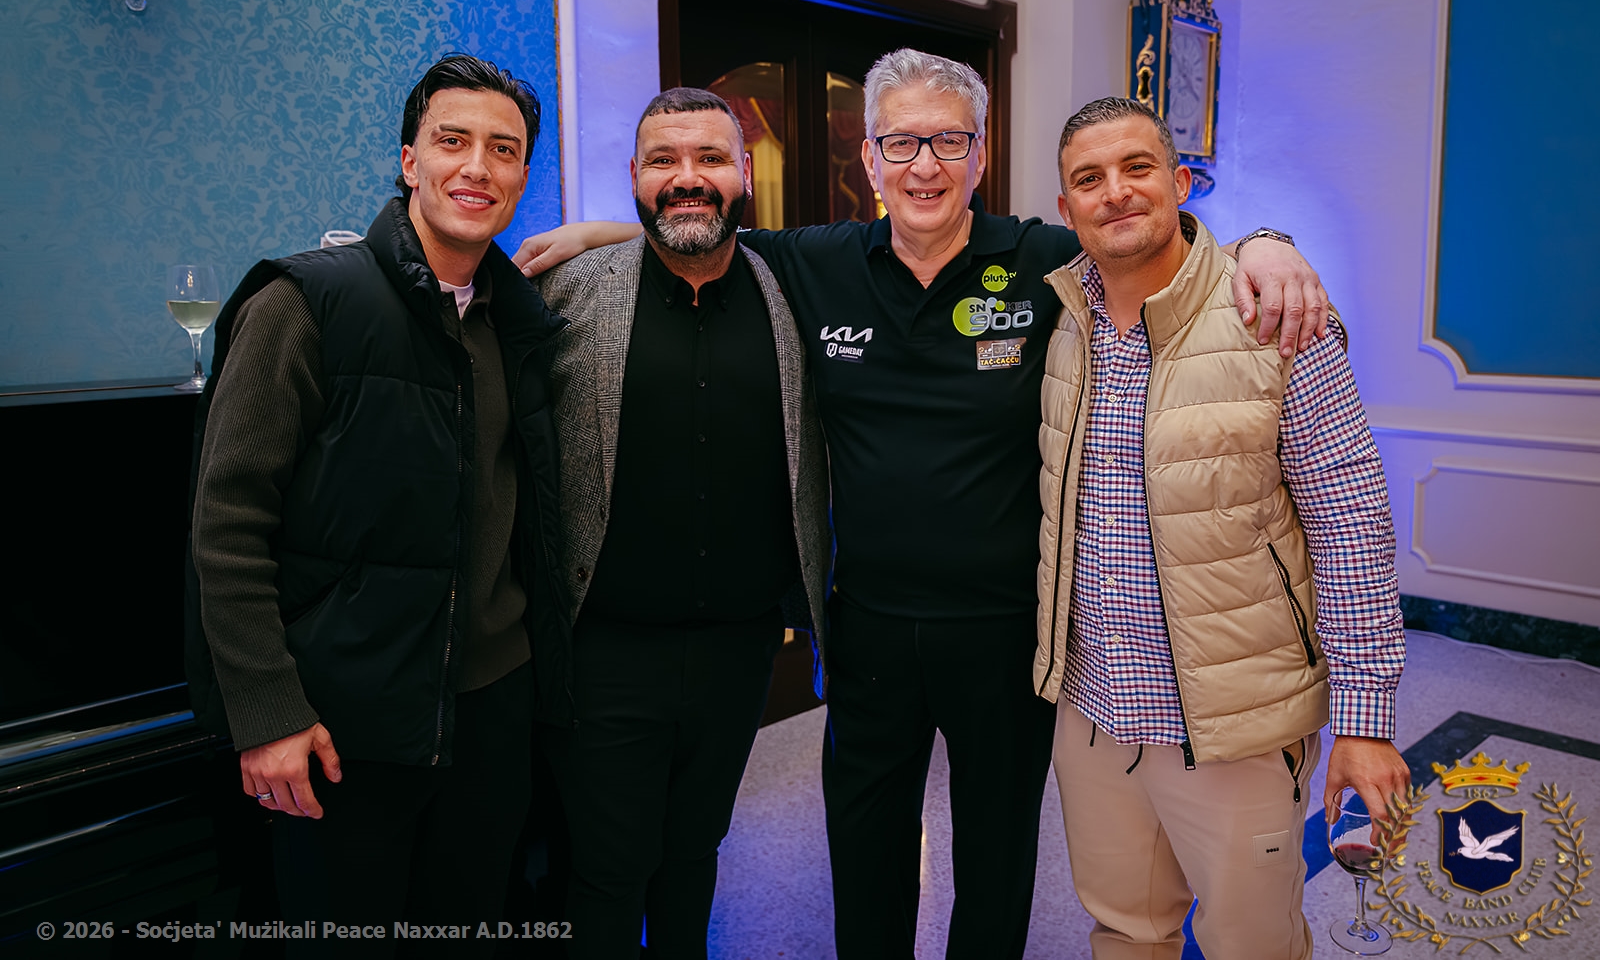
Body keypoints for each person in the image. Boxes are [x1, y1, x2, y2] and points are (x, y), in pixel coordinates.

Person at [516, 49, 1329, 960]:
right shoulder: (818, 262)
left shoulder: (1046, 259)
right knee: (865, 854)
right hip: (868, 628)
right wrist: (601, 233)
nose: (924, 165)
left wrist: (1267, 243)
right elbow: (703, 232)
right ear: (870, 159)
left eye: (948, 141)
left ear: (980, 155)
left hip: (1006, 633)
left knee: (995, 858)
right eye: (901, 143)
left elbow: (1150, 237)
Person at [188, 54, 568, 954]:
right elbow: (228, 523)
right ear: (409, 161)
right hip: (342, 727)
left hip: (489, 717)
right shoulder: (305, 300)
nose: (477, 166)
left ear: (523, 176)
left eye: (504, 150)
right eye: (453, 140)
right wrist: (267, 711)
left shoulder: (518, 320)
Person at [1037, 96, 1409, 958]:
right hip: (1095, 710)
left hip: (1238, 724)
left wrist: (1364, 719)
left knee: (1253, 943)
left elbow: (1352, 520)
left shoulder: (1274, 316)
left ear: (1180, 181)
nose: (1115, 192)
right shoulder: (1063, 324)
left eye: (1137, 167)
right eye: (1089, 179)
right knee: (1124, 929)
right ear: (1065, 208)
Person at [532, 87, 830, 958]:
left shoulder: (794, 292)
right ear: (634, 175)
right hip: (606, 647)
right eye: (664, 160)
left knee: (695, 849)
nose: (687, 177)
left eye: (710, 158)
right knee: (606, 866)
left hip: (741, 646)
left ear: (745, 175)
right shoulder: (565, 293)